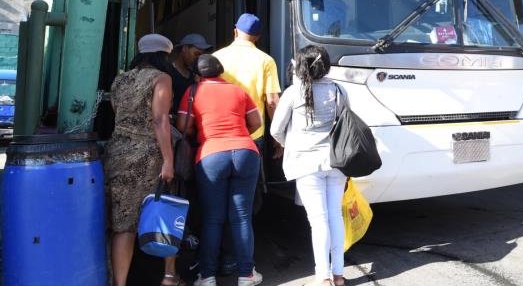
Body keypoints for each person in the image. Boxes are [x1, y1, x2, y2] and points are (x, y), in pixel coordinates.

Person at [104, 34, 183, 286]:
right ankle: (169, 276)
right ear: (164, 56)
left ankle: (120, 283)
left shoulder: (120, 80)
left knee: (123, 224)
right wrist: (168, 161)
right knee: (163, 209)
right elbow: (160, 120)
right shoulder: (162, 78)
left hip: (117, 153)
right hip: (147, 156)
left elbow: (119, 114)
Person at [176, 54, 263, 286]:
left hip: (211, 155)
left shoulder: (193, 92)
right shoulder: (238, 91)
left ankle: (207, 276)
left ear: (197, 73)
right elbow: (256, 122)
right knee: (242, 216)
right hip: (246, 152)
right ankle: (246, 274)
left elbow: (183, 126)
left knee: (212, 219)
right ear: (220, 71)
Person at [270, 45, 346, 286]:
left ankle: (323, 276)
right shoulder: (338, 90)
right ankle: (339, 275)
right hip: (336, 162)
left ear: (301, 65)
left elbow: (275, 130)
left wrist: (289, 143)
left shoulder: (293, 93)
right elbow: (346, 124)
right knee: (335, 216)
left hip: (305, 163)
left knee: (318, 220)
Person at [213, 13, 281, 152]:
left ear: (235, 31)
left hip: (219, 132)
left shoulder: (216, 57)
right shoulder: (266, 60)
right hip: (252, 133)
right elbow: (272, 102)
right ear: (257, 37)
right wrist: (278, 136)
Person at [168, 33, 212, 113]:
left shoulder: (194, 75)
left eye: (201, 56)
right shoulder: (168, 72)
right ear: (184, 49)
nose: (198, 59)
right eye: (196, 54)